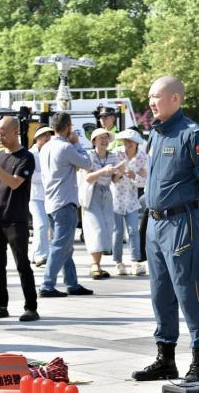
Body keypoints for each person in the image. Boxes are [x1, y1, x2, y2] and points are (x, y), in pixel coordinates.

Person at [132, 76, 199, 383]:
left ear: (176, 99)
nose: (151, 102)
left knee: (188, 290)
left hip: (181, 222)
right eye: (150, 97)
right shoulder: (156, 134)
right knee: (161, 292)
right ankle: (165, 358)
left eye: (156, 96)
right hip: (155, 223)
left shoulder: (192, 134)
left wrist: (197, 219)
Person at [0, 117, 39, 322]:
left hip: (16, 218)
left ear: (16, 132)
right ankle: (0, 304)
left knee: (22, 263)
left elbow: (15, 183)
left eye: (4, 133)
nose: (0, 137)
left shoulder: (26, 157)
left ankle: (31, 307)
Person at [39, 112, 93, 298]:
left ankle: (72, 283)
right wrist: (77, 143)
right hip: (65, 201)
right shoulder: (66, 147)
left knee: (65, 246)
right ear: (69, 126)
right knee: (61, 246)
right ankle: (47, 284)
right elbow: (87, 163)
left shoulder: (45, 147)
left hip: (51, 201)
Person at [81, 128, 122, 279]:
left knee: (106, 227)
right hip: (92, 193)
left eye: (106, 137)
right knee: (96, 228)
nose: (104, 140)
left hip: (107, 194)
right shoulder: (89, 155)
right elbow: (87, 178)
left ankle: (98, 264)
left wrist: (119, 173)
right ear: (94, 141)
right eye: (101, 138)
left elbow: (115, 180)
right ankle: (94, 265)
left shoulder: (113, 156)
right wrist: (103, 171)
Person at [111, 128, 148, 276]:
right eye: (125, 140)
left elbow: (145, 181)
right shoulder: (116, 153)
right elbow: (111, 178)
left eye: (131, 141)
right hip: (116, 199)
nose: (128, 143)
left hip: (132, 200)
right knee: (118, 232)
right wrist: (119, 174)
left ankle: (135, 261)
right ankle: (118, 262)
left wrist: (134, 176)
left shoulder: (143, 157)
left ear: (137, 143)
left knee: (133, 231)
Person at [29, 126, 54, 267]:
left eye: (49, 135)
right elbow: (31, 176)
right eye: (44, 135)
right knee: (41, 224)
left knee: (45, 226)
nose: (47, 138)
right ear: (37, 137)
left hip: (48, 195)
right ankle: (41, 255)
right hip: (35, 196)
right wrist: (48, 176)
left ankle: (34, 254)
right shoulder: (30, 154)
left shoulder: (50, 152)